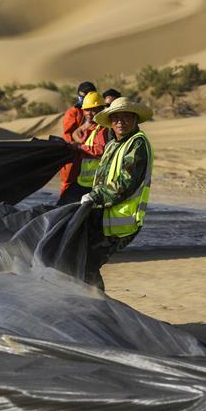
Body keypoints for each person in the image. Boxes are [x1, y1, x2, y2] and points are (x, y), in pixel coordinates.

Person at [78, 97, 154, 290]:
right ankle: (94, 305)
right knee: (83, 261)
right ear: (111, 121)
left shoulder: (137, 144)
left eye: (126, 117)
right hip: (103, 216)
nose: (120, 121)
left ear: (135, 119)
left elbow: (125, 183)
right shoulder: (113, 144)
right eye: (116, 117)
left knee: (89, 263)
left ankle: (97, 306)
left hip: (121, 223)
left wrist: (95, 197)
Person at [57, 91, 110, 205]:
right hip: (83, 183)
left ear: (101, 109)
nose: (89, 113)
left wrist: (80, 147)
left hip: (95, 186)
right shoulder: (90, 126)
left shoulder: (103, 129)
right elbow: (76, 132)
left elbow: (100, 150)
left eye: (93, 110)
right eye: (86, 110)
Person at [59, 81, 97, 198]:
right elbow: (68, 138)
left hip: (91, 161)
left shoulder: (97, 112)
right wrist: (79, 144)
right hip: (73, 159)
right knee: (68, 187)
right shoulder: (73, 113)